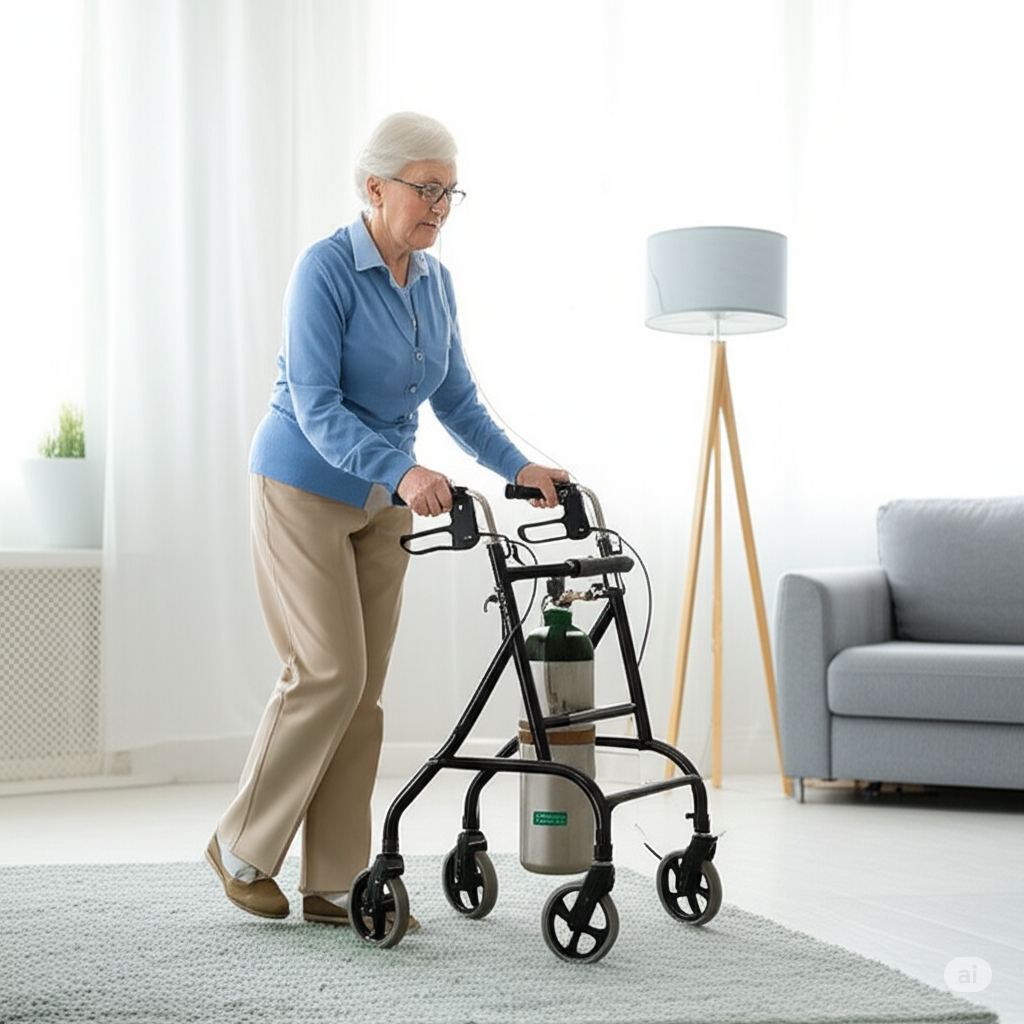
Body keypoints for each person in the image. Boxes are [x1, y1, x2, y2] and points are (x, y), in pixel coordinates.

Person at [206, 112, 567, 925]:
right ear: (375, 188)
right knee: (326, 671)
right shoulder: (325, 269)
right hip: (303, 485)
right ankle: (239, 846)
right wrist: (402, 469)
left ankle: (334, 879)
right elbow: (316, 403)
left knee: (362, 691)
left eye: (450, 191)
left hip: (385, 503)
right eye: (425, 188)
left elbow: (459, 399)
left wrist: (520, 466)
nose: (439, 205)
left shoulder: (435, 283)